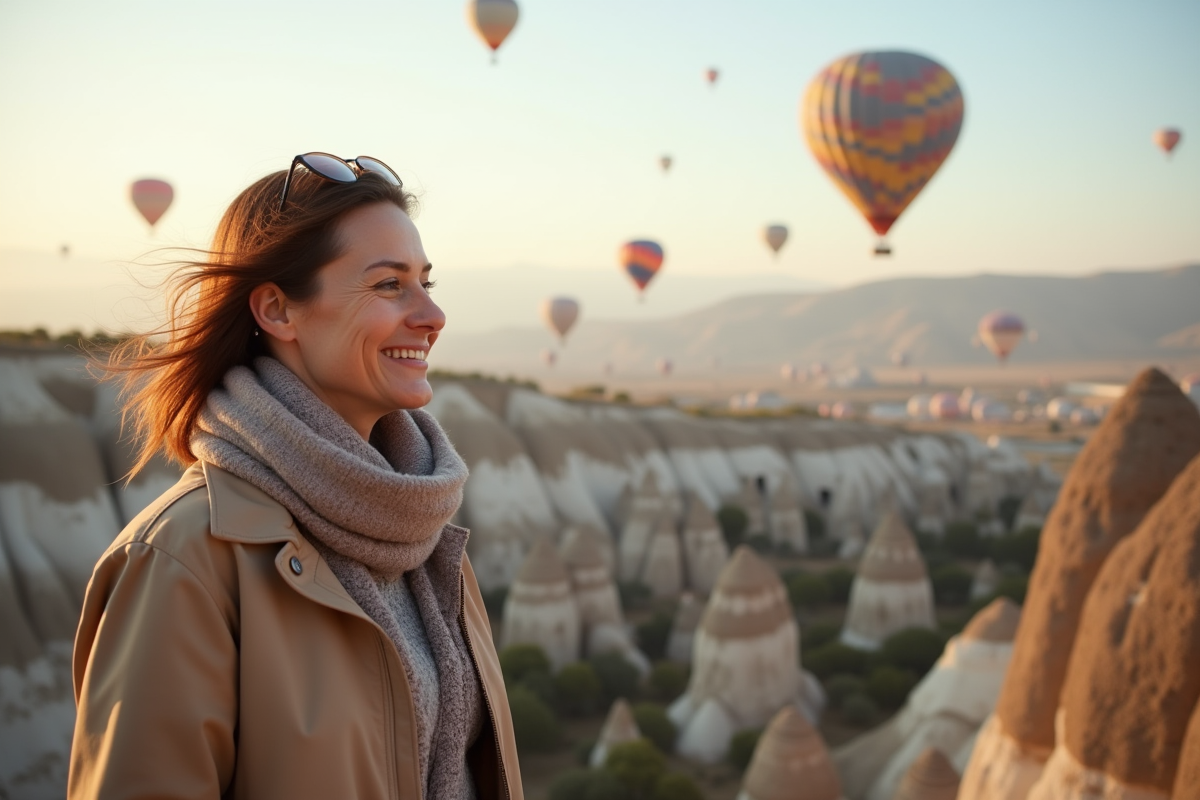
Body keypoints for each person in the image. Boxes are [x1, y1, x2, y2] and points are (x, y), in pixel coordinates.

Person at [69, 153, 522, 800]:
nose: (432, 315)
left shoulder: (420, 531)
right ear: (278, 311)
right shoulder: (184, 559)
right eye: (389, 285)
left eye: (427, 282)